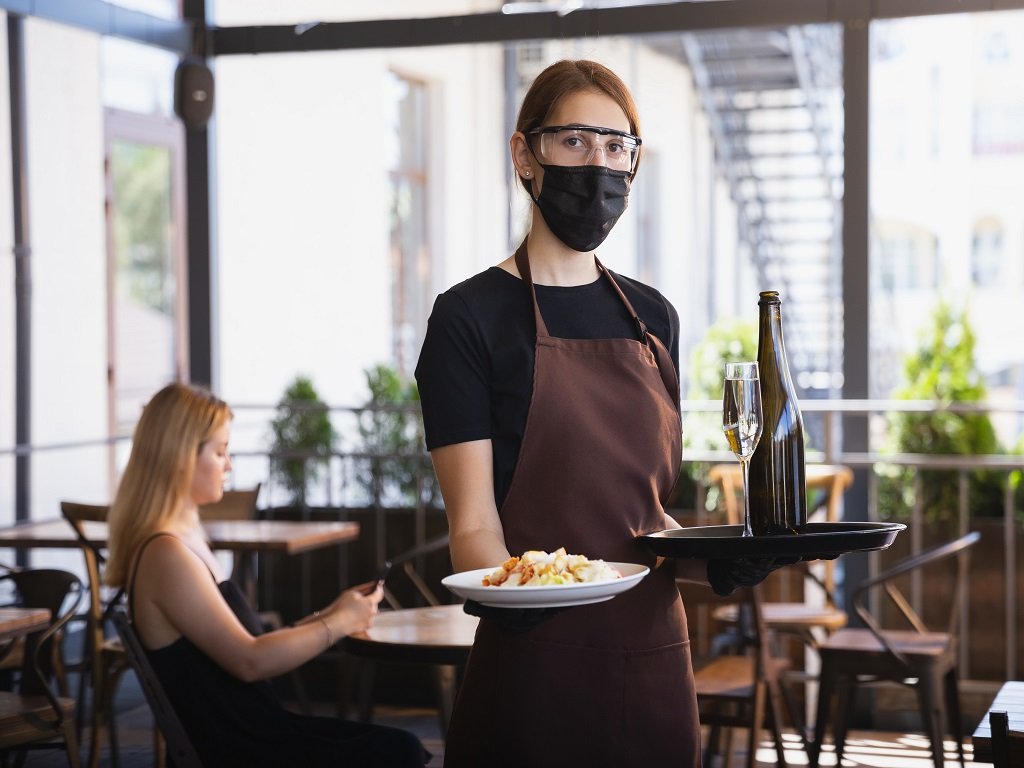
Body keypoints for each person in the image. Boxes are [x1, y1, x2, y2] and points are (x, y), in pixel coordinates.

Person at [415, 59, 788, 766]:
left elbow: (649, 524)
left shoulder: (654, 318)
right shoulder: (467, 319)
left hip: (653, 668)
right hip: (532, 676)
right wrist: (520, 602)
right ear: (525, 154)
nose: (600, 166)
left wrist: (721, 562)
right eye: (576, 142)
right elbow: (472, 526)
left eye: (618, 148)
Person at [106, 382, 428, 768]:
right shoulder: (166, 554)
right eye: (221, 451)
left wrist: (333, 613)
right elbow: (249, 661)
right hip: (244, 748)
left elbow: (248, 644)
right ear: (180, 457)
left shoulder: (183, 538)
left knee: (397, 746)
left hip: (257, 733)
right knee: (400, 750)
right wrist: (339, 623)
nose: (229, 465)